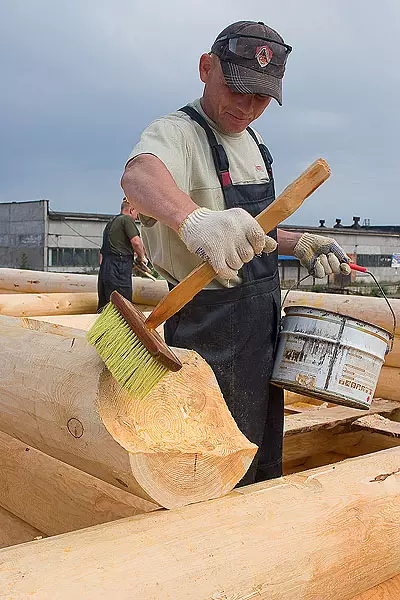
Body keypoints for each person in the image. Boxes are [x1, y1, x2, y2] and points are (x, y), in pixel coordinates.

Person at [121, 20, 351, 485]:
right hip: (203, 327)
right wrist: (194, 220)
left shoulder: (253, 142)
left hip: (261, 327)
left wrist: (298, 244)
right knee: (208, 468)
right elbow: (138, 179)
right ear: (207, 68)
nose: (246, 107)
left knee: (260, 462)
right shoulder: (176, 133)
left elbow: (251, 234)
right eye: (237, 89)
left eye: (261, 97)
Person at [97, 197, 147, 311]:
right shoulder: (127, 220)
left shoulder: (111, 222)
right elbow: (136, 242)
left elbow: (102, 254)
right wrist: (142, 258)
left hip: (106, 268)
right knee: (122, 306)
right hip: (119, 268)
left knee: (106, 306)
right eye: (137, 214)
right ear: (132, 209)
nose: (137, 217)